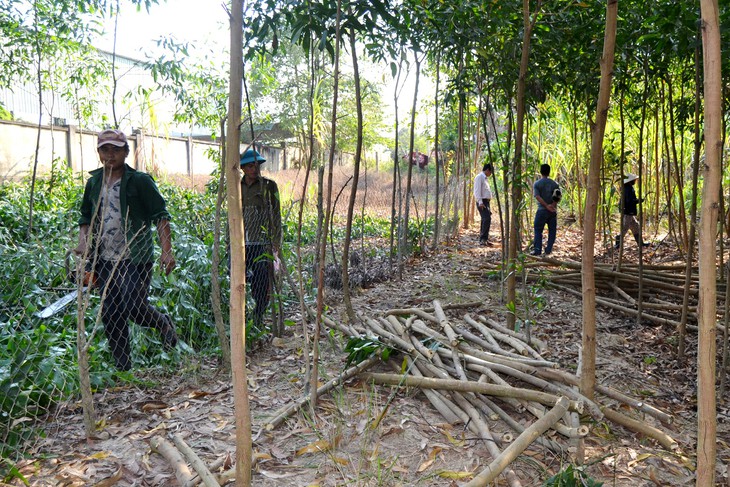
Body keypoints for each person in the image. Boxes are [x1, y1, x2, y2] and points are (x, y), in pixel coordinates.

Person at [74, 129, 178, 371]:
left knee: (133, 305)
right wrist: (83, 242)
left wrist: (167, 251)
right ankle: (124, 367)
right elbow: (86, 216)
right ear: (99, 152)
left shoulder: (140, 181)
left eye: (116, 149)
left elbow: (160, 216)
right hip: (104, 258)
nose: (110, 155)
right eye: (105, 149)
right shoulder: (94, 182)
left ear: (126, 152)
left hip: (135, 256)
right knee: (111, 314)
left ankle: (163, 323)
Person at [240, 148, 282, 329]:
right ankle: (240, 315)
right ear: (242, 168)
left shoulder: (269, 186)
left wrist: (275, 241)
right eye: (250, 166)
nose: (254, 169)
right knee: (237, 276)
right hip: (241, 241)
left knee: (262, 280)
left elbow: (276, 214)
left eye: (257, 165)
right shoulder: (236, 186)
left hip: (262, 241)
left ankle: (258, 315)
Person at [614, 173, 649, 249]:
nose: (635, 181)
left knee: (636, 226)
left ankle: (641, 244)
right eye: (634, 180)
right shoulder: (628, 189)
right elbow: (629, 201)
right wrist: (638, 201)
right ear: (630, 181)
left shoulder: (628, 188)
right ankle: (617, 244)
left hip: (629, 211)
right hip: (628, 212)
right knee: (624, 228)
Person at [532, 163, 560, 256]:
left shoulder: (537, 184)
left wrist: (546, 206)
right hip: (552, 211)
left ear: (541, 172)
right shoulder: (554, 184)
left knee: (538, 230)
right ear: (549, 172)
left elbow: (537, 196)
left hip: (541, 211)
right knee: (552, 231)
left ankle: (537, 250)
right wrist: (552, 205)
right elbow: (558, 196)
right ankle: (548, 250)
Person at [473, 163, 494, 246]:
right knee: (487, 219)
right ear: (488, 170)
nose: (490, 174)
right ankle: (483, 239)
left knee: (485, 219)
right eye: (490, 172)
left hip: (486, 202)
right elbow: (477, 191)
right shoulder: (479, 177)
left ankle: (483, 238)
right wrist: (480, 202)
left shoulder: (485, 178)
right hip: (482, 202)